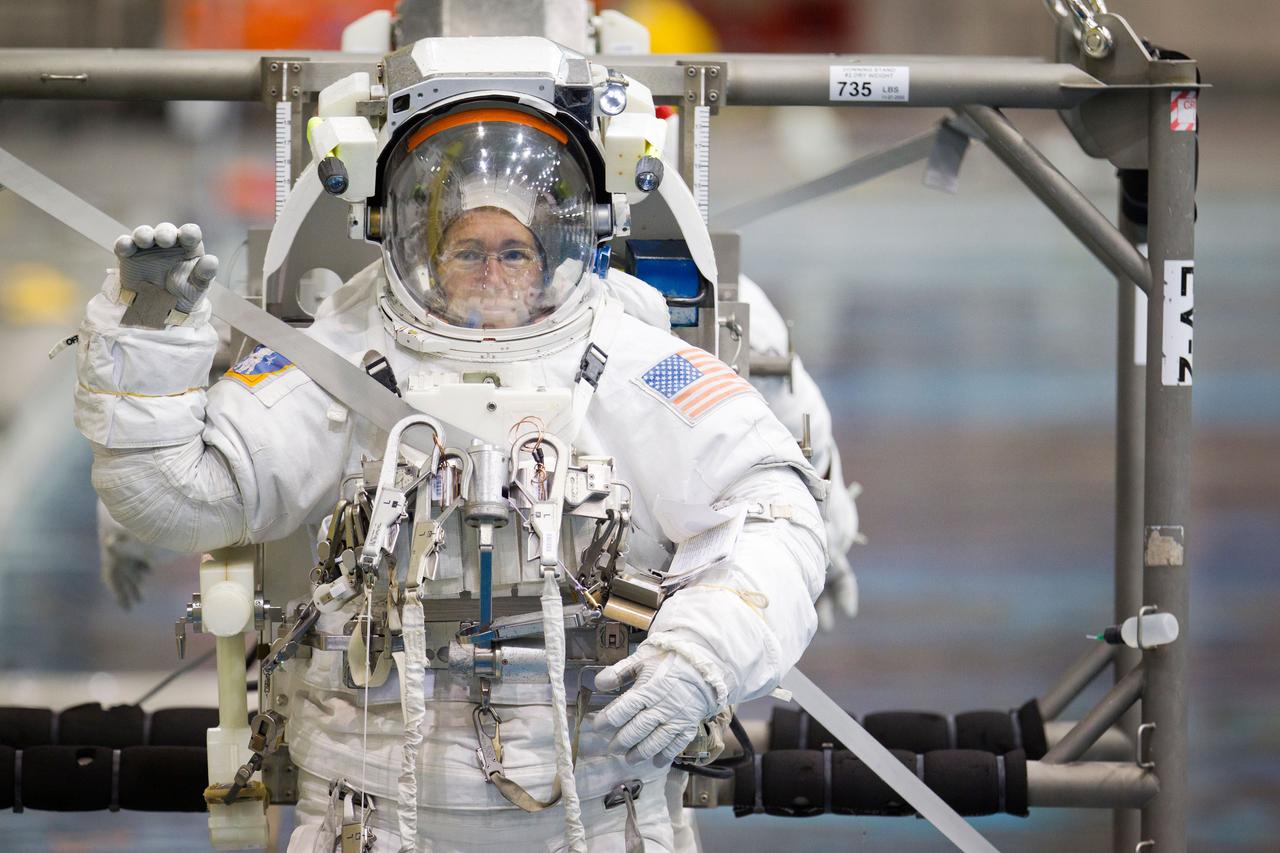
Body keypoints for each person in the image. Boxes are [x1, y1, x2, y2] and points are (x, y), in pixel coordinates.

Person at [74, 95, 827, 851]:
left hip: (599, 813)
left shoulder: (638, 366)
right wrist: (148, 343)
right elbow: (188, 495)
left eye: (513, 252)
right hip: (368, 820)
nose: (491, 274)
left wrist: (705, 654)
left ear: (556, 258)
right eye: (467, 253)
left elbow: (774, 514)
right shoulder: (346, 360)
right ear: (420, 253)